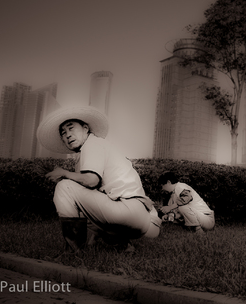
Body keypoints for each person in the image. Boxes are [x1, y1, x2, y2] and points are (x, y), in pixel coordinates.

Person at [36, 106, 161, 253]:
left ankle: (73, 253)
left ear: (85, 128)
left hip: (127, 210)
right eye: (63, 133)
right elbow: (90, 197)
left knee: (65, 187)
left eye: (71, 128)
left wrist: (64, 174)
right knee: (74, 198)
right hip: (143, 220)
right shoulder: (91, 149)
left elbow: (91, 180)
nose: (67, 135)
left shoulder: (92, 144)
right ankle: (122, 244)